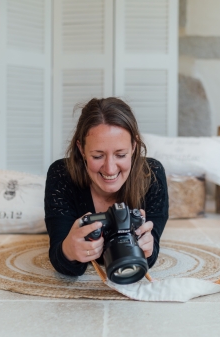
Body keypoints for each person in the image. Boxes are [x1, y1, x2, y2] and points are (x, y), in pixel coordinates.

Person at [44, 97, 169, 277]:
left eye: (121, 154)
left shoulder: (152, 175)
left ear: (134, 146)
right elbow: (61, 260)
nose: (110, 169)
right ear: (81, 149)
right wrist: (69, 251)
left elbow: (151, 253)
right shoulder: (62, 175)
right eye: (97, 156)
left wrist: (147, 248)